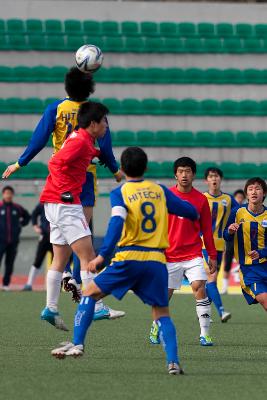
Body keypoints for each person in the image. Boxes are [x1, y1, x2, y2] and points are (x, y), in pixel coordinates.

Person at [51, 147, 198, 375]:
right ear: (146, 168)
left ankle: (78, 343)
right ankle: (173, 362)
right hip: (157, 262)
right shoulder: (159, 190)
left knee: (90, 293)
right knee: (161, 313)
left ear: (123, 168)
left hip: (129, 258)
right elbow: (190, 211)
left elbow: (116, 224)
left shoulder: (121, 192)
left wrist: (102, 256)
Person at [2, 67, 124, 320]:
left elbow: (38, 139)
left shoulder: (56, 109)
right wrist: (116, 171)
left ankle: (57, 298)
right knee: (85, 242)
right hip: (79, 179)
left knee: (66, 248)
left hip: (57, 184)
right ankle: (91, 300)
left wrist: (20, 163)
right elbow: (107, 146)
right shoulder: (94, 114)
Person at [38, 101, 115, 331]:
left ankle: (51, 308)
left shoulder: (80, 138)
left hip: (53, 202)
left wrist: (100, 154)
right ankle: (96, 304)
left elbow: (86, 152)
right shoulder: (80, 141)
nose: (106, 126)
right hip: (65, 203)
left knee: (60, 259)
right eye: (104, 121)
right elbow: (56, 162)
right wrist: (64, 190)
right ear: (93, 124)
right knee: (88, 256)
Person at [149, 157, 216, 347]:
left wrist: (211, 254)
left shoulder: (201, 199)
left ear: (193, 174)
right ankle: (156, 325)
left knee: (199, 287)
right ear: (175, 174)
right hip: (169, 254)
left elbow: (207, 230)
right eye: (180, 171)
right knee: (165, 295)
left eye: (188, 171)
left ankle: (205, 334)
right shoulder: (166, 196)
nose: (184, 175)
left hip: (193, 253)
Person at [224, 177, 267, 312]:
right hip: (250, 269)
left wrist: (260, 253)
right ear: (247, 194)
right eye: (250, 189)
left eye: (258, 188)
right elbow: (225, 235)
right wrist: (230, 232)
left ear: (264, 193)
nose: (254, 192)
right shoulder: (237, 212)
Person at [203, 167, 239, 322]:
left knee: (212, 279)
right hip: (204, 245)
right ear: (206, 180)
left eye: (216, 176)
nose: (214, 179)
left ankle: (203, 311)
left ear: (220, 179)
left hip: (221, 245)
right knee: (212, 277)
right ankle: (221, 311)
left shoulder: (229, 199)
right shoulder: (201, 198)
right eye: (211, 176)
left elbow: (241, 213)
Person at [0, 186, 30, 290]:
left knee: (9, 263)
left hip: (13, 242)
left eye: (10, 193)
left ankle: (6, 284)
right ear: (3, 194)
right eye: (6, 193)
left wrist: (20, 224)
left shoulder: (17, 208)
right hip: (1, 241)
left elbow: (27, 217)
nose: (8, 195)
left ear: (12, 195)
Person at [22, 202, 53, 291]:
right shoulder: (42, 204)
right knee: (38, 261)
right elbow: (34, 214)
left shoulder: (60, 203)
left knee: (56, 263)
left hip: (57, 238)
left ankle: (54, 286)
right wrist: (35, 226)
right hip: (44, 237)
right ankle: (29, 284)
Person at [221, 189, 245, 294]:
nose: (239, 199)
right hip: (231, 240)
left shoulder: (246, 210)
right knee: (227, 261)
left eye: (241, 197)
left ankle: (245, 285)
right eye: (237, 197)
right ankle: (224, 286)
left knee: (243, 262)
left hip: (243, 241)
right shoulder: (230, 211)